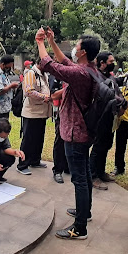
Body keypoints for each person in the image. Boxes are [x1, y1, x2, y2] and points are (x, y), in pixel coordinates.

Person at [36, 27, 97, 240]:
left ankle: (79, 228)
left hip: (74, 133)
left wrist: (40, 42)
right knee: (85, 174)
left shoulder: (80, 74)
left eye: (77, 46)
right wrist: (52, 42)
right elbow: (64, 62)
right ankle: (85, 212)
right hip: (84, 132)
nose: (74, 49)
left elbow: (50, 65)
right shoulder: (89, 69)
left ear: (82, 52)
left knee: (79, 179)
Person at [87, 51, 118, 190]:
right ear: (102, 63)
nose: (114, 64)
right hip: (99, 117)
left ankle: (100, 171)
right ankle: (92, 175)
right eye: (111, 62)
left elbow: (117, 92)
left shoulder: (111, 76)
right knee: (98, 147)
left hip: (110, 116)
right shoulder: (95, 76)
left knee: (106, 145)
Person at [15, 59, 51, 176]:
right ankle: (22, 165)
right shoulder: (31, 73)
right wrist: (44, 97)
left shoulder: (44, 74)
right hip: (32, 112)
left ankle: (35, 160)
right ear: (40, 63)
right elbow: (29, 91)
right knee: (28, 140)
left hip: (42, 112)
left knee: (39, 138)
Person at [0, 55, 18, 123]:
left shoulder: (3, 74)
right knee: (0, 130)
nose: (9, 68)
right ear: (3, 64)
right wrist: (11, 86)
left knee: (5, 129)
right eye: (8, 67)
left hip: (5, 107)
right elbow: (0, 91)